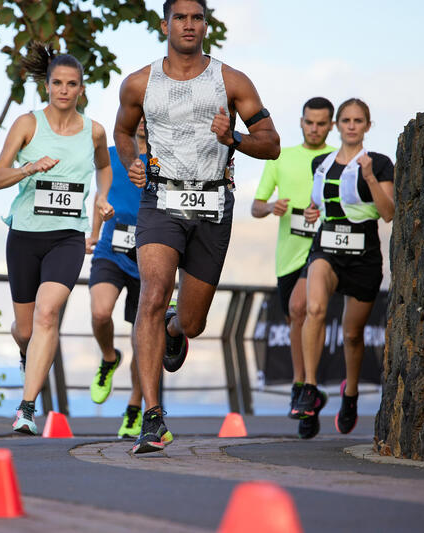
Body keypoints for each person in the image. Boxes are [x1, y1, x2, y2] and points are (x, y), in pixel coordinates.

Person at [114, 0, 280, 454]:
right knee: (150, 294)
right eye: (181, 18)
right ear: (164, 24)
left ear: (207, 25)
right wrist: (135, 162)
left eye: (197, 18)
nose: (189, 25)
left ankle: (174, 329)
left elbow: (273, 145)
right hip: (161, 200)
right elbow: (123, 133)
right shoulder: (140, 83)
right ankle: (153, 417)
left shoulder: (231, 81)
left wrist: (235, 139)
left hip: (212, 204)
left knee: (193, 321)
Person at [0, 42, 114, 435]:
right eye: (57, 83)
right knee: (25, 329)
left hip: (68, 237)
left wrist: (102, 198)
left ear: (81, 89)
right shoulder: (28, 124)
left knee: (48, 313)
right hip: (25, 235)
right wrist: (29, 168)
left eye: (71, 84)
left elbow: (104, 167)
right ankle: (28, 353)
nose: (64, 90)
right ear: (46, 87)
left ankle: (27, 408)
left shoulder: (94, 131)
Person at [291, 98, 394, 438]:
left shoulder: (379, 163)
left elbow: (389, 212)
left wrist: (368, 176)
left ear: (367, 125)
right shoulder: (321, 163)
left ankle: (349, 396)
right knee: (314, 308)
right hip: (327, 248)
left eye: (358, 120)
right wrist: (310, 212)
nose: (351, 125)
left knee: (352, 335)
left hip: (363, 255)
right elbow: (319, 202)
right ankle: (309, 387)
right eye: (346, 120)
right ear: (337, 125)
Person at [251, 97, 335, 439]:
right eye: (309, 122)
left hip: (325, 252)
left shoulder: (337, 159)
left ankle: (305, 389)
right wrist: (272, 206)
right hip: (288, 255)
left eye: (321, 123)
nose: (314, 128)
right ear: (301, 122)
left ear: (330, 125)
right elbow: (255, 206)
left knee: (301, 308)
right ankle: (304, 390)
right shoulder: (281, 156)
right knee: (295, 319)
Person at [86, 120, 148, 439]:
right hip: (112, 249)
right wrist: (94, 233)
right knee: (100, 312)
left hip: (151, 258)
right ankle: (109, 358)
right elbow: (101, 195)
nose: (141, 122)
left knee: (143, 338)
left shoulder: (164, 160)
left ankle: (135, 409)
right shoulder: (110, 155)